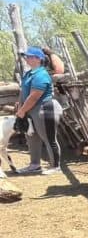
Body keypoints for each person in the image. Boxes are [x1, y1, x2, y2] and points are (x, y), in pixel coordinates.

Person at [15, 46, 64, 175]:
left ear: (38, 59)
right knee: (32, 137)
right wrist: (20, 108)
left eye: (30, 56)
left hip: (44, 108)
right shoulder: (28, 74)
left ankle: (55, 166)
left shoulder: (41, 74)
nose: (27, 59)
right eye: (27, 56)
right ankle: (35, 165)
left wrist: (23, 110)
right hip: (30, 110)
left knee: (48, 138)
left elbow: (34, 96)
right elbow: (23, 92)